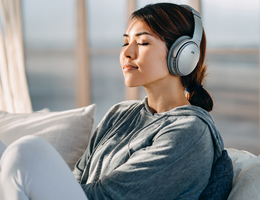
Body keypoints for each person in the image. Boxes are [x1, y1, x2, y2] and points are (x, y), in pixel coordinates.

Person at [0, 3, 233, 200]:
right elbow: (78, 175)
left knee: (27, 152)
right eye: (125, 42)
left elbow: (112, 195)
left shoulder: (190, 131)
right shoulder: (119, 113)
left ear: (183, 55)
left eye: (142, 43)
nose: (127, 53)